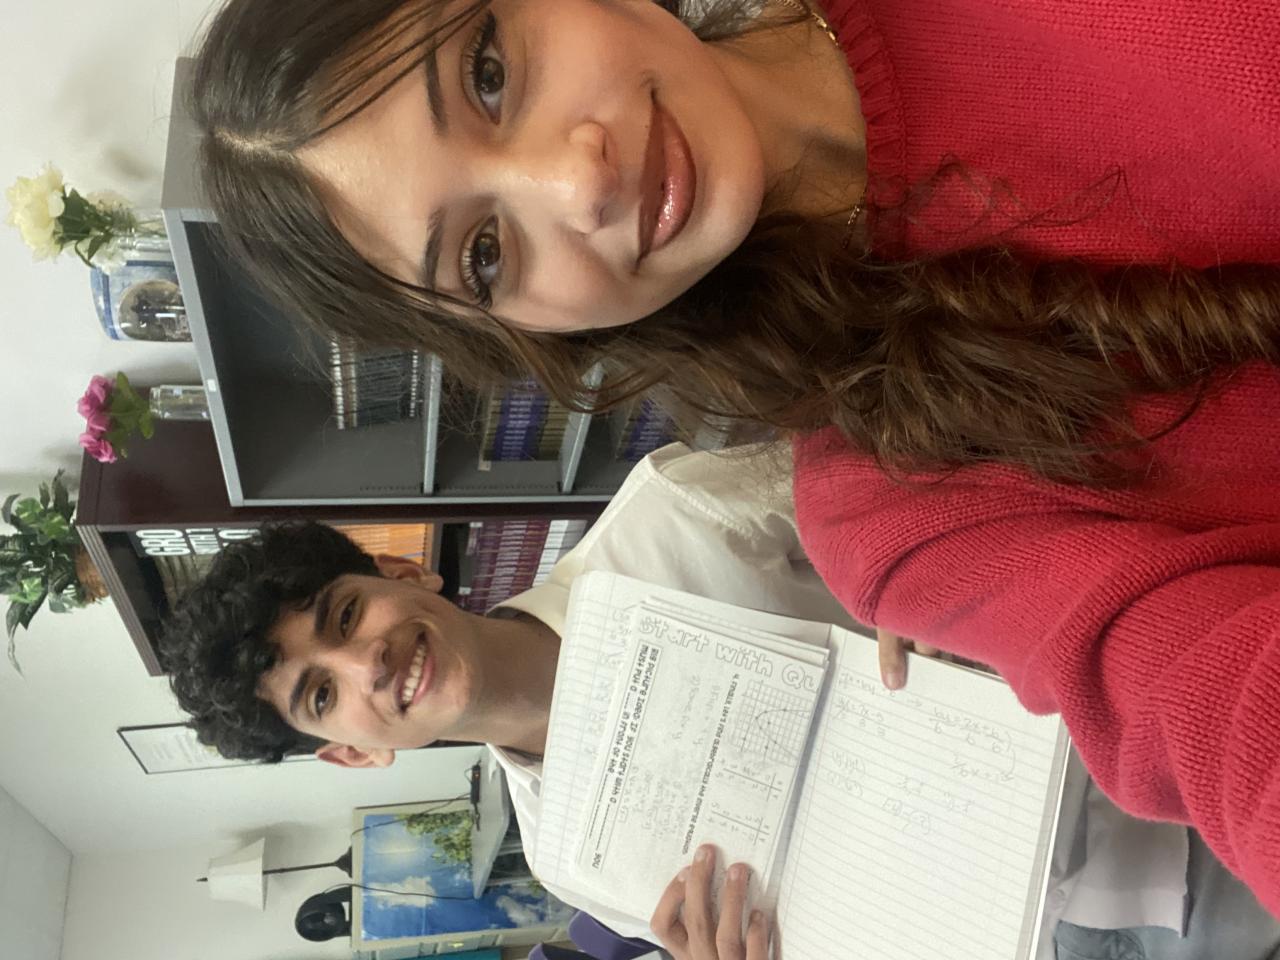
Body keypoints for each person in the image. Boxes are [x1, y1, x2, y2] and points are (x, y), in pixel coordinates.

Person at [161, 444, 1275, 958]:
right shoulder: (564, 858)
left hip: (1163, 729)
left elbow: (948, 468)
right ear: (348, 754)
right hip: (1088, 937)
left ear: (405, 573)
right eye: (321, 692)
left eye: (344, 612)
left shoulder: (672, 510)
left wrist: (932, 555)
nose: (368, 664)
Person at [190, 0, 1280, 484]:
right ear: (518, 335)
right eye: (483, 256)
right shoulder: (900, 505)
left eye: (487, 73)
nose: (578, 182)